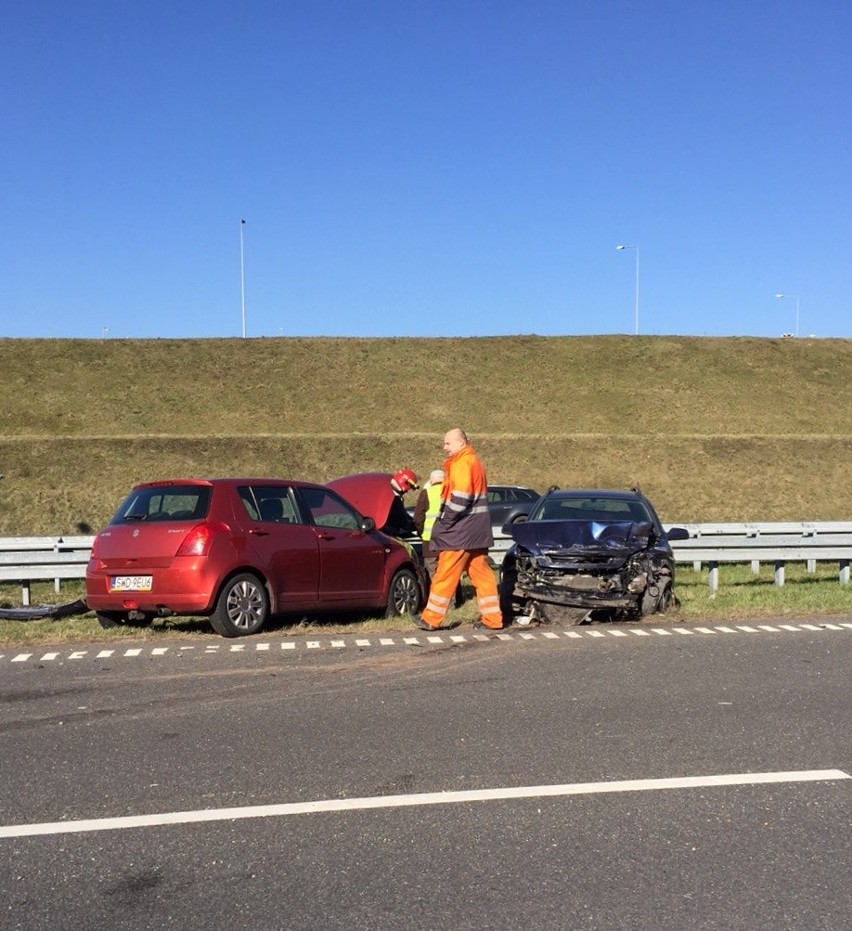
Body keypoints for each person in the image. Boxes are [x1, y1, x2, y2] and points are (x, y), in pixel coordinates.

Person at [412, 429, 503, 631]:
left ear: (461, 443)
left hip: (460, 531)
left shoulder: (462, 463)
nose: (444, 447)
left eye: (447, 443)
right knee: (482, 575)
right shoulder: (474, 461)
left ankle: (431, 619)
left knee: (445, 573)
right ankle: (493, 619)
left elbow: (460, 499)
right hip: (477, 531)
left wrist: (445, 524)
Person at [413, 469, 464, 607]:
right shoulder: (453, 493)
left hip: (430, 539)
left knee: (433, 571)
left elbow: (418, 517)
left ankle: (438, 603)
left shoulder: (426, 493)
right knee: (449, 569)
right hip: (450, 539)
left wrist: (421, 532)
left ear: (431, 480)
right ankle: (453, 601)